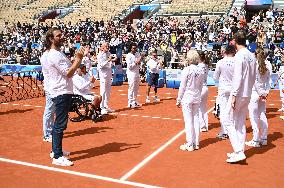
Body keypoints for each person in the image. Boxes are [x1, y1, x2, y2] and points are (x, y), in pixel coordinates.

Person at [46, 27, 85, 166]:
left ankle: (56, 150)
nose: (62, 37)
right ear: (51, 39)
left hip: (63, 91)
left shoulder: (57, 53)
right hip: (61, 92)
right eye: (58, 35)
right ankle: (57, 157)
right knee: (60, 124)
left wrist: (76, 63)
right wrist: (78, 59)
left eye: (62, 35)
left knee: (60, 124)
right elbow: (68, 73)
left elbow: (70, 70)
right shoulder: (54, 55)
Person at [224, 30, 256, 163]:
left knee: (227, 120)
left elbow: (237, 77)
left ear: (235, 41)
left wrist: (234, 95)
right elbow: (253, 76)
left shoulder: (239, 56)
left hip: (239, 92)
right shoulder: (251, 55)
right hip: (247, 92)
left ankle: (238, 151)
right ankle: (239, 150)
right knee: (240, 122)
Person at [176, 50, 205, 151]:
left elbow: (182, 86)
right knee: (196, 119)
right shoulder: (201, 70)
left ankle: (189, 143)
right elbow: (201, 85)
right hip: (197, 96)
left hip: (188, 96)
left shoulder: (187, 70)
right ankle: (196, 143)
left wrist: (178, 99)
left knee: (188, 120)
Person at [246, 47, 270, 147]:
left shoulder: (254, 65)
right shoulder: (268, 64)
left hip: (255, 93)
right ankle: (264, 138)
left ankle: (255, 140)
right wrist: (265, 92)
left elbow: (254, 81)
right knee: (262, 115)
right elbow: (269, 81)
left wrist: (260, 93)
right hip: (263, 93)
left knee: (253, 117)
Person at [213, 45, 236, 139]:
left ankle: (224, 132)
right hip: (233, 88)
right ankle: (231, 131)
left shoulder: (220, 62)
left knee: (223, 111)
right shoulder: (237, 62)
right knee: (232, 111)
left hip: (223, 88)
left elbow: (215, 77)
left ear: (225, 51)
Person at [97, 42, 116, 114]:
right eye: (106, 46)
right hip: (103, 75)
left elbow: (110, 64)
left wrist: (112, 61)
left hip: (108, 73)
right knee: (103, 91)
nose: (107, 47)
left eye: (108, 46)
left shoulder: (109, 53)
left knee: (108, 90)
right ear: (102, 47)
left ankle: (106, 105)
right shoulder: (100, 55)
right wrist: (108, 60)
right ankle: (101, 107)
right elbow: (101, 65)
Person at [41, 49, 54, 142]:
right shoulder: (46, 56)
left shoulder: (49, 54)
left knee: (52, 110)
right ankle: (47, 134)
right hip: (50, 87)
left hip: (53, 87)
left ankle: (51, 130)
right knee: (49, 110)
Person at [126, 43, 142, 108]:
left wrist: (139, 62)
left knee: (136, 88)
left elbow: (139, 63)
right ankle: (129, 102)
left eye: (135, 48)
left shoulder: (137, 54)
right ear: (130, 48)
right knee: (131, 88)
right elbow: (130, 67)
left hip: (137, 72)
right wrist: (136, 62)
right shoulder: (128, 55)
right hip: (131, 74)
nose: (135, 49)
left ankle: (134, 101)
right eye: (133, 48)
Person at [198, 51, 209, 132]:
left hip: (200, 88)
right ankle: (205, 124)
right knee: (203, 108)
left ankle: (202, 125)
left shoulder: (199, 66)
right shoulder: (206, 65)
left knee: (198, 108)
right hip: (205, 88)